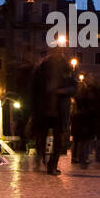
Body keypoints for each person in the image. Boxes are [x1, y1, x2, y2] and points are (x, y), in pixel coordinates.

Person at [31, 45, 75, 175]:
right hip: (44, 108)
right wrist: (34, 107)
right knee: (41, 137)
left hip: (59, 109)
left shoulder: (67, 68)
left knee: (58, 139)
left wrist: (62, 91)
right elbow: (34, 89)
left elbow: (74, 88)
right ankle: (42, 158)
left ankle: (52, 165)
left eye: (60, 51)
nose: (58, 54)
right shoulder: (42, 68)